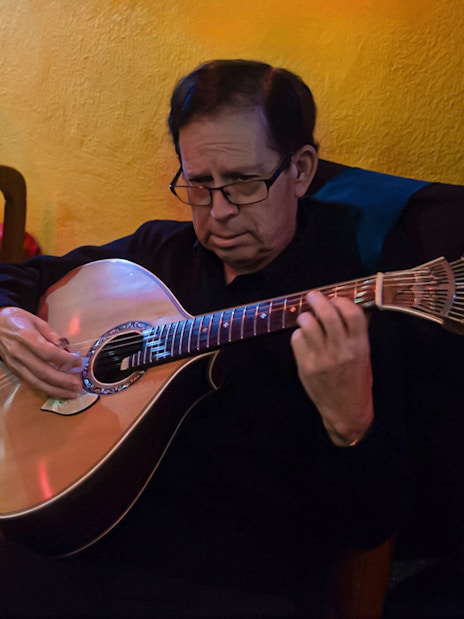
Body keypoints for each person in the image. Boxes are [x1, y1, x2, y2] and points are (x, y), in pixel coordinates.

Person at [0, 59, 413, 618]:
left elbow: (370, 527)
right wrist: (9, 320)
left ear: (300, 170)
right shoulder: (154, 257)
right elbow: (21, 276)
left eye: (243, 183)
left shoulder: (351, 300)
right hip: (62, 545)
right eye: (199, 184)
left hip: (226, 586)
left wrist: (350, 424)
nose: (219, 212)